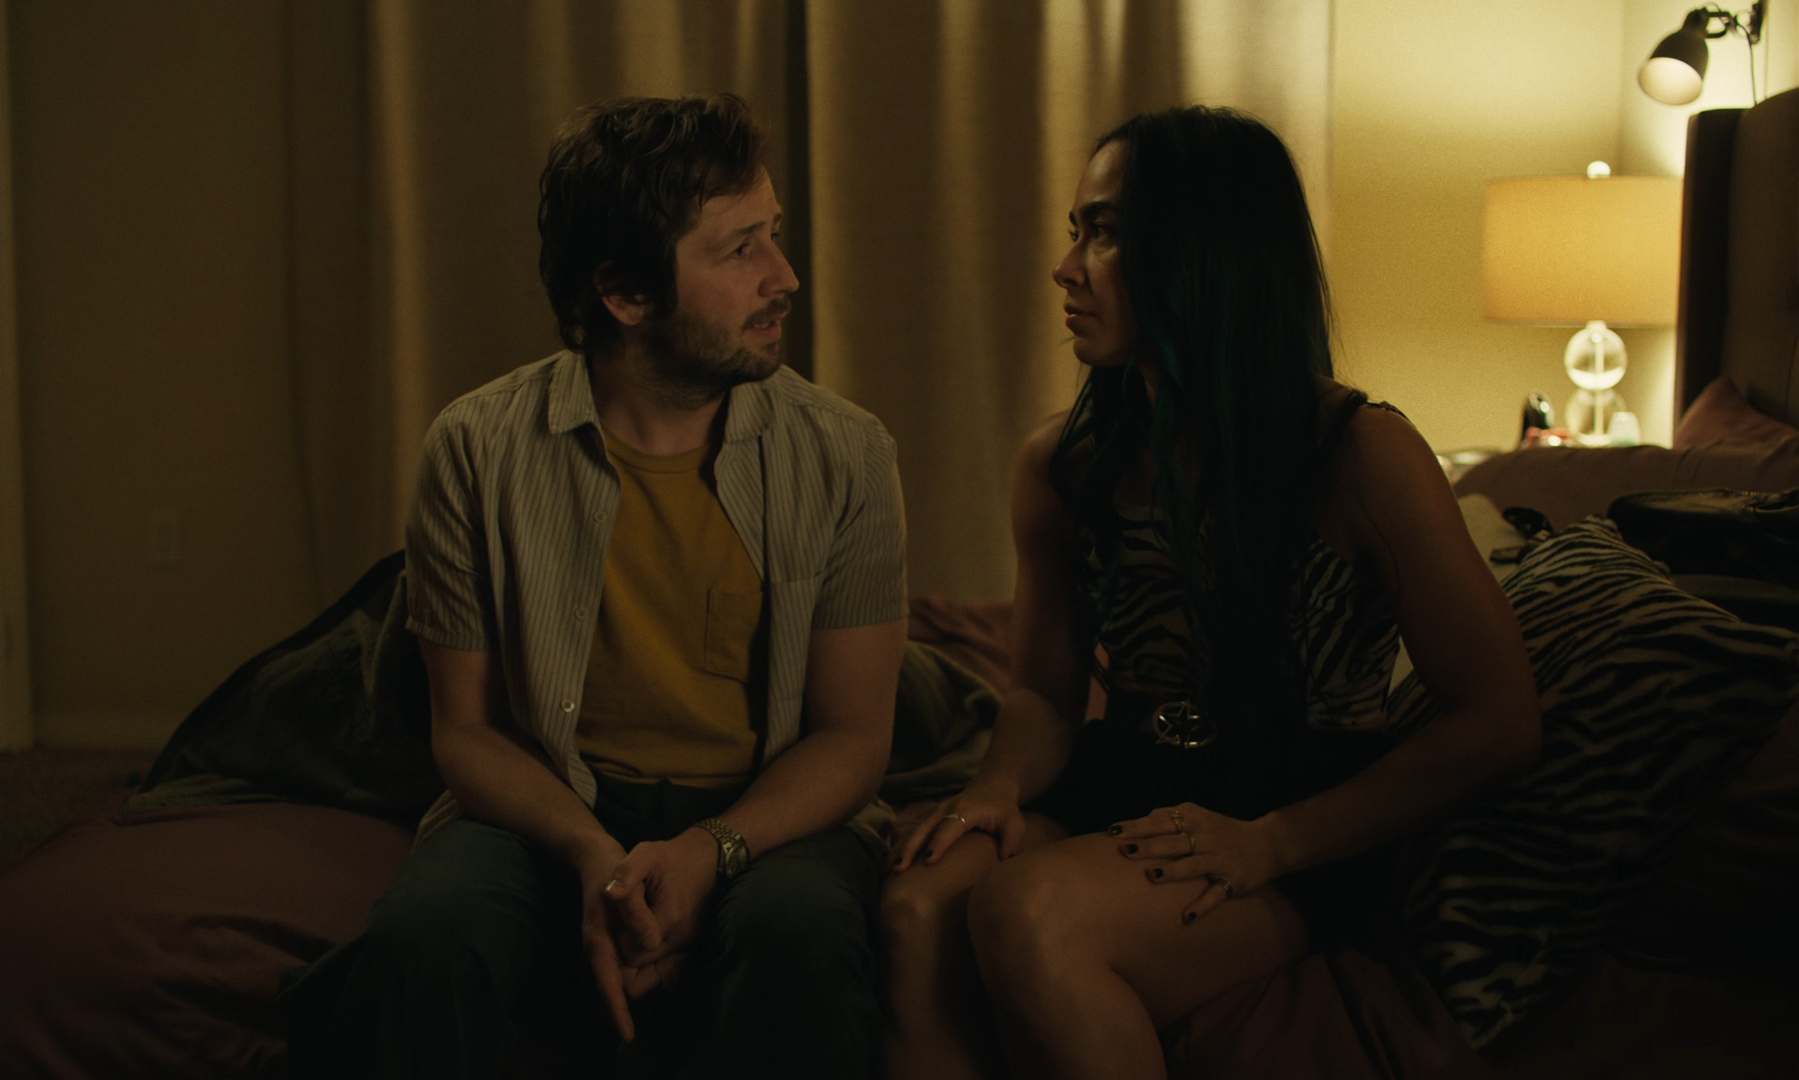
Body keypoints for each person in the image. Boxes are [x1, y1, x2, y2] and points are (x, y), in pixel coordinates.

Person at [879, 105, 1541, 1080]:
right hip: (1128, 772)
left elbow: (1499, 722)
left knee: (1027, 912)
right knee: (913, 907)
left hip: (1295, 812)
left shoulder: (1360, 454)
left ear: (1206, 256)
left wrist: (1273, 843)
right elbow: (1042, 696)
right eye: (1075, 231)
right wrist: (994, 787)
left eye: (1104, 234)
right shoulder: (1064, 461)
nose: (1065, 268)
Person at [281, 93, 908, 1080]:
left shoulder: (845, 453)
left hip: (765, 809)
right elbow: (467, 730)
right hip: (552, 800)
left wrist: (707, 850)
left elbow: (853, 737)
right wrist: (590, 855)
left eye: (774, 234)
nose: (783, 276)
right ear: (623, 293)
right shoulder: (476, 449)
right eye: (739, 249)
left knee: (800, 938)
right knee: (423, 939)